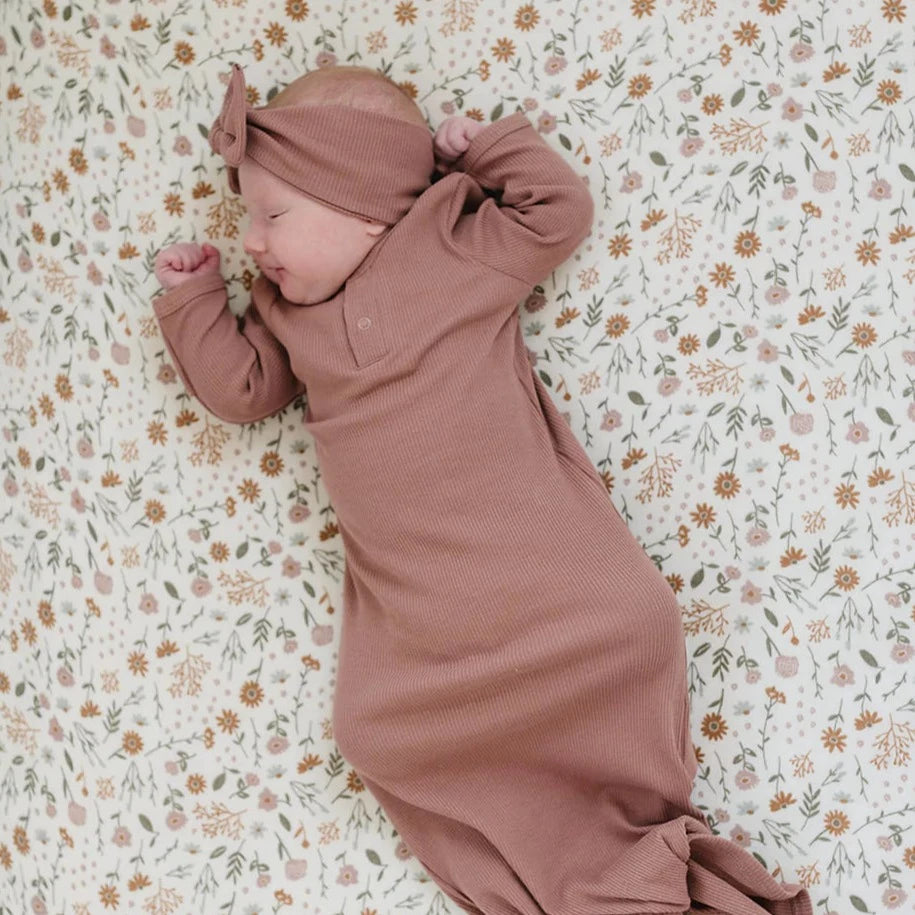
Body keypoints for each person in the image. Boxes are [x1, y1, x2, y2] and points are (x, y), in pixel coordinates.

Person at [151, 62, 812, 915]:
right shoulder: (285, 319)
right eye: (247, 217)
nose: (252, 241)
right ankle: (571, 880)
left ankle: (628, 853)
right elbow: (241, 391)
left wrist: (486, 149)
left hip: (555, 595)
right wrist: (196, 297)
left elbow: (557, 213)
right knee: (371, 732)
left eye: (273, 214)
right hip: (423, 634)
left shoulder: (454, 243)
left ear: (366, 205)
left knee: (628, 632)